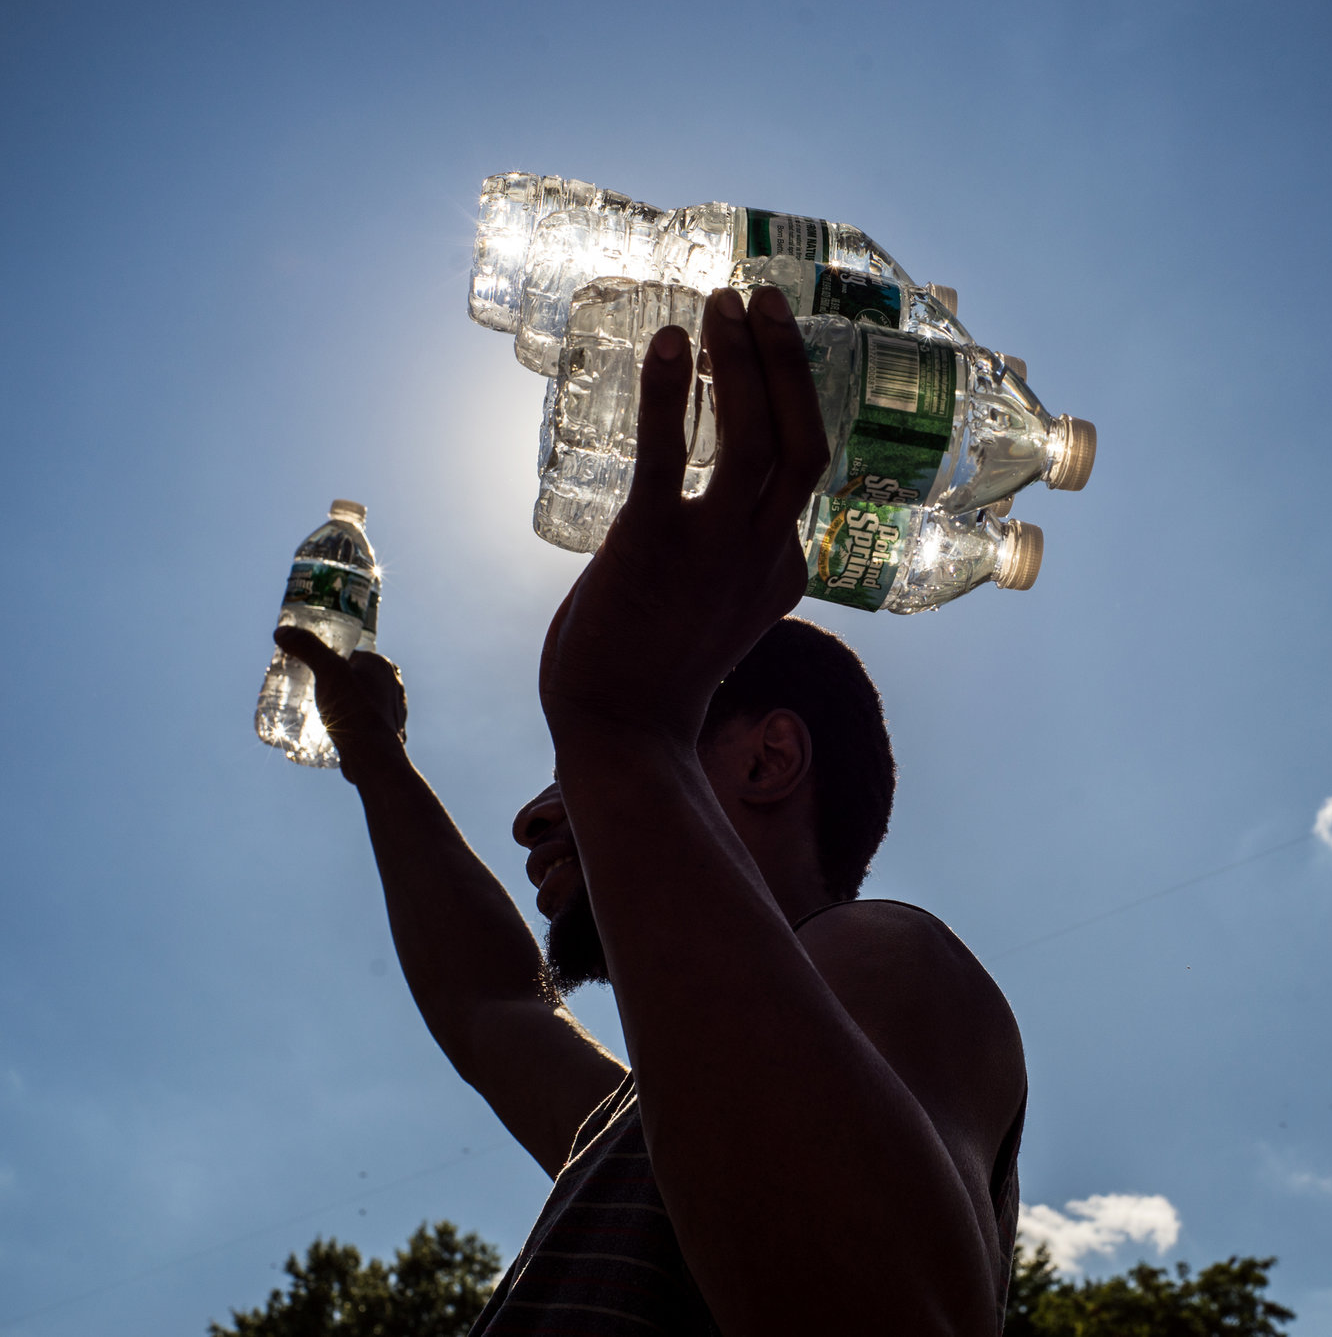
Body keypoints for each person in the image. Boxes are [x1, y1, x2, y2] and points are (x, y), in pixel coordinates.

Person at [274, 286, 1028, 1336]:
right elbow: (494, 1003)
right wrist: (372, 753)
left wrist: (622, 729)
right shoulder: (664, 1123)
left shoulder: (886, 952)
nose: (535, 819)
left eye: (564, 780)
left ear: (768, 758)